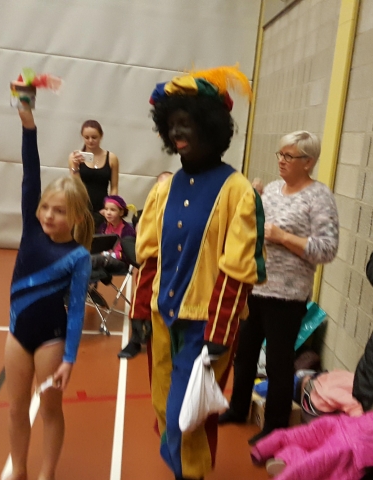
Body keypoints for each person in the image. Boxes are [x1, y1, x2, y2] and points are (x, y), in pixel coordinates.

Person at [142, 66, 266, 480]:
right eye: (172, 123)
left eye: (188, 122)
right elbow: (151, 255)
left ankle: (190, 474)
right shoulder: (164, 188)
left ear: (210, 127)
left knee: (187, 414)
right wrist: (141, 312)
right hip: (163, 317)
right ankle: (182, 469)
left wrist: (220, 332)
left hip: (206, 324)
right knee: (163, 406)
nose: (178, 131)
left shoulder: (237, 191)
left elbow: (238, 271)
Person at [219, 131, 339, 446]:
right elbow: (252, 227)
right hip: (255, 286)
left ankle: (275, 425)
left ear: (308, 162)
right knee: (245, 354)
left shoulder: (319, 197)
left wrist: (284, 237)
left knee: (278, 362)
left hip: (287, 295)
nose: (281, 161)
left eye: (289, 156)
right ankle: (238, 408)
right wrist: (251, 200)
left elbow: (327, 249)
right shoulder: (272, 190)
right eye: (280, 154)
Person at [4, 98, 94, 480]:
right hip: (17, 335)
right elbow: (30, 173)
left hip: (50, 341)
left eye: (59, 211)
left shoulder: (78, 256)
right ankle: (19, 469)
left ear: (76, 217)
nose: (48, 215)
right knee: (15, 408)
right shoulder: (31, 229)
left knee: (50, 410)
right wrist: (28, 123)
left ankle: (47, 473)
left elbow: (76, 311)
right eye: (45, 208)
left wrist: (69, 358)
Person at [118, 171, 173, 360]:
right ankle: (136, 340)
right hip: (152, 261)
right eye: (160, 185)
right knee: (141, 299)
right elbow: (142, 238)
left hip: (173, 263)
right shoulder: (147, 212)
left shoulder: (181, 210)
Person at [68, 120, 120, 228]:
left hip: (102, 207)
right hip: (81, 206)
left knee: (101, 236)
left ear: (101, 136)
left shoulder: (111, 158)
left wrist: (110, 208)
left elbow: (114, 187)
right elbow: (75, 185)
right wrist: (75, 167)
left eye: (94, 137)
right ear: (82, 137)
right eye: (86, 137)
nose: (90, 141)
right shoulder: (75, 157)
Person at [91, 194, 135, 274]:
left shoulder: (127, 230)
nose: (108, 213)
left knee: (94, 259)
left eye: (112, 210)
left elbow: (129, 255)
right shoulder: (103, 226)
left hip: (121, 263)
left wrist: (109, 254)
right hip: (104, 261)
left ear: (121, 212)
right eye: (106, 209)